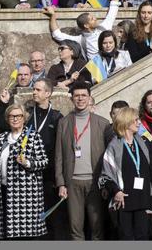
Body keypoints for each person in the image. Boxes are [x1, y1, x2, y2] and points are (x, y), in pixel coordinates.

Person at [55, 82, 113, 240]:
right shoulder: (64, 122)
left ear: (89, 98)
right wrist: (61, 183)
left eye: (83, 95)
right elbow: (59, 154)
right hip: (72, 182)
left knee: (97, 227)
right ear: (72, 99)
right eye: (77, 96)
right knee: (75, 228)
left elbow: (110, 156)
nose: (80, 99)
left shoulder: (102, 123)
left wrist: (106, 182)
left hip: (95, 181)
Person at [99, 107, 152, 240]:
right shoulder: (114, 146)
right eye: (136, 120)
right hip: (123, 200)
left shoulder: (143, 142)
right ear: (126, 122)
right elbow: (105, 175)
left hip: (142, 198)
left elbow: (151, 170)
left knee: (143, 235)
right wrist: (116, 191)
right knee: (126, 237)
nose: (139, 123)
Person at [0, 104, 48, 239]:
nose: (15, 119)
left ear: (24, 118)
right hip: (5, 190)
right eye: (11, 116)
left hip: (26, 194)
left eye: (18, 116)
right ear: (7, 119)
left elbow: (44, 161)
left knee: (26, 234)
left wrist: (28, 163)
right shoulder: (1, 139)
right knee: (9, 233)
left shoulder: (33, 136)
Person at [46, 0, 121, 60]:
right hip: (95, 71)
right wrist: (52, 16)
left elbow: (114, 7)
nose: (96, 19)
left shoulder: (104, 27)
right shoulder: (81, 40)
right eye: (92, 19)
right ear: (86, 25)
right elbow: (57, 35)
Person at [29, 79, 68, 239]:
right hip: (31, 172)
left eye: (38, 90)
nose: (34, 92)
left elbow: (63, 147)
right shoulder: (28, 114)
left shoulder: (57, 117)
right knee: (34, 216)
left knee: (54, 215)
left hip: (50, 174)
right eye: (34, 89)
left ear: (48, 93)